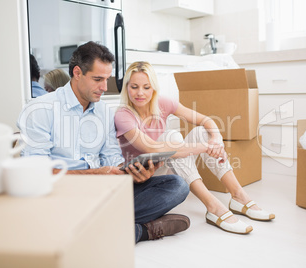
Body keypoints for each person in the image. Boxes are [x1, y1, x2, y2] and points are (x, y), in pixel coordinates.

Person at [18, 42, 190, 243]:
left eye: (107, 79)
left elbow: (112, 158)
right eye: (98, 79)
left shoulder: (103, 112)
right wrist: (95, 173)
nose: (104, 87)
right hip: (63, 195)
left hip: (101, 193)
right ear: (77, 73)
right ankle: (141, 231)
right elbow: (36, 174)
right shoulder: (41, 110)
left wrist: (132, 173)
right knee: (50, 215)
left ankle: (91, 227)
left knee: (176, 185)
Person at [115, 61, 275, 235]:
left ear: (153, 88)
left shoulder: (163, 103)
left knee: (202, 132)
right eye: (134, 87)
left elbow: (206, 120)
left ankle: (239, 196)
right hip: (143, 177)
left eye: (146, 87)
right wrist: (204, 148)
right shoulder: (123, 114)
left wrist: (215, 141)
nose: (140, 93)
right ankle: (213, 207)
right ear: (126, 88)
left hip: (164, 167)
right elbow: (151, 147)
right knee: (173, 137)